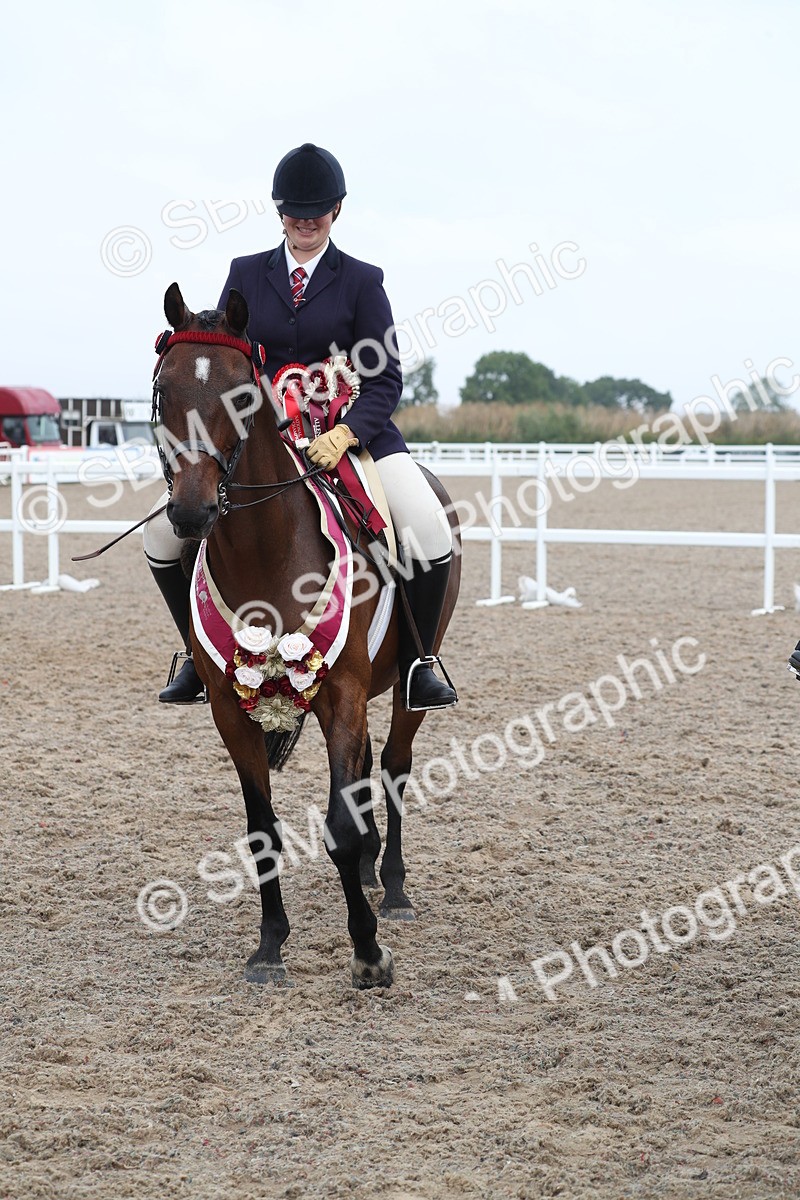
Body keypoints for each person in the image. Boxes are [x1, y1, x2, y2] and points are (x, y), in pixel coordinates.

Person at [145, 142, 457, 711]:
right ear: (280, 212)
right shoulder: (246, 273)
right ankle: (196, 653)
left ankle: (419, 664)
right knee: (161, 537)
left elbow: (385, 378)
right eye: (295, 212)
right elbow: (224, 363)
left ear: (336, 211)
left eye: (316, 213)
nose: (305, 222)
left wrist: (347, 432)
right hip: (264, 442)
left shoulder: (362, 281)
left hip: (352, 440)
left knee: (427, 525)